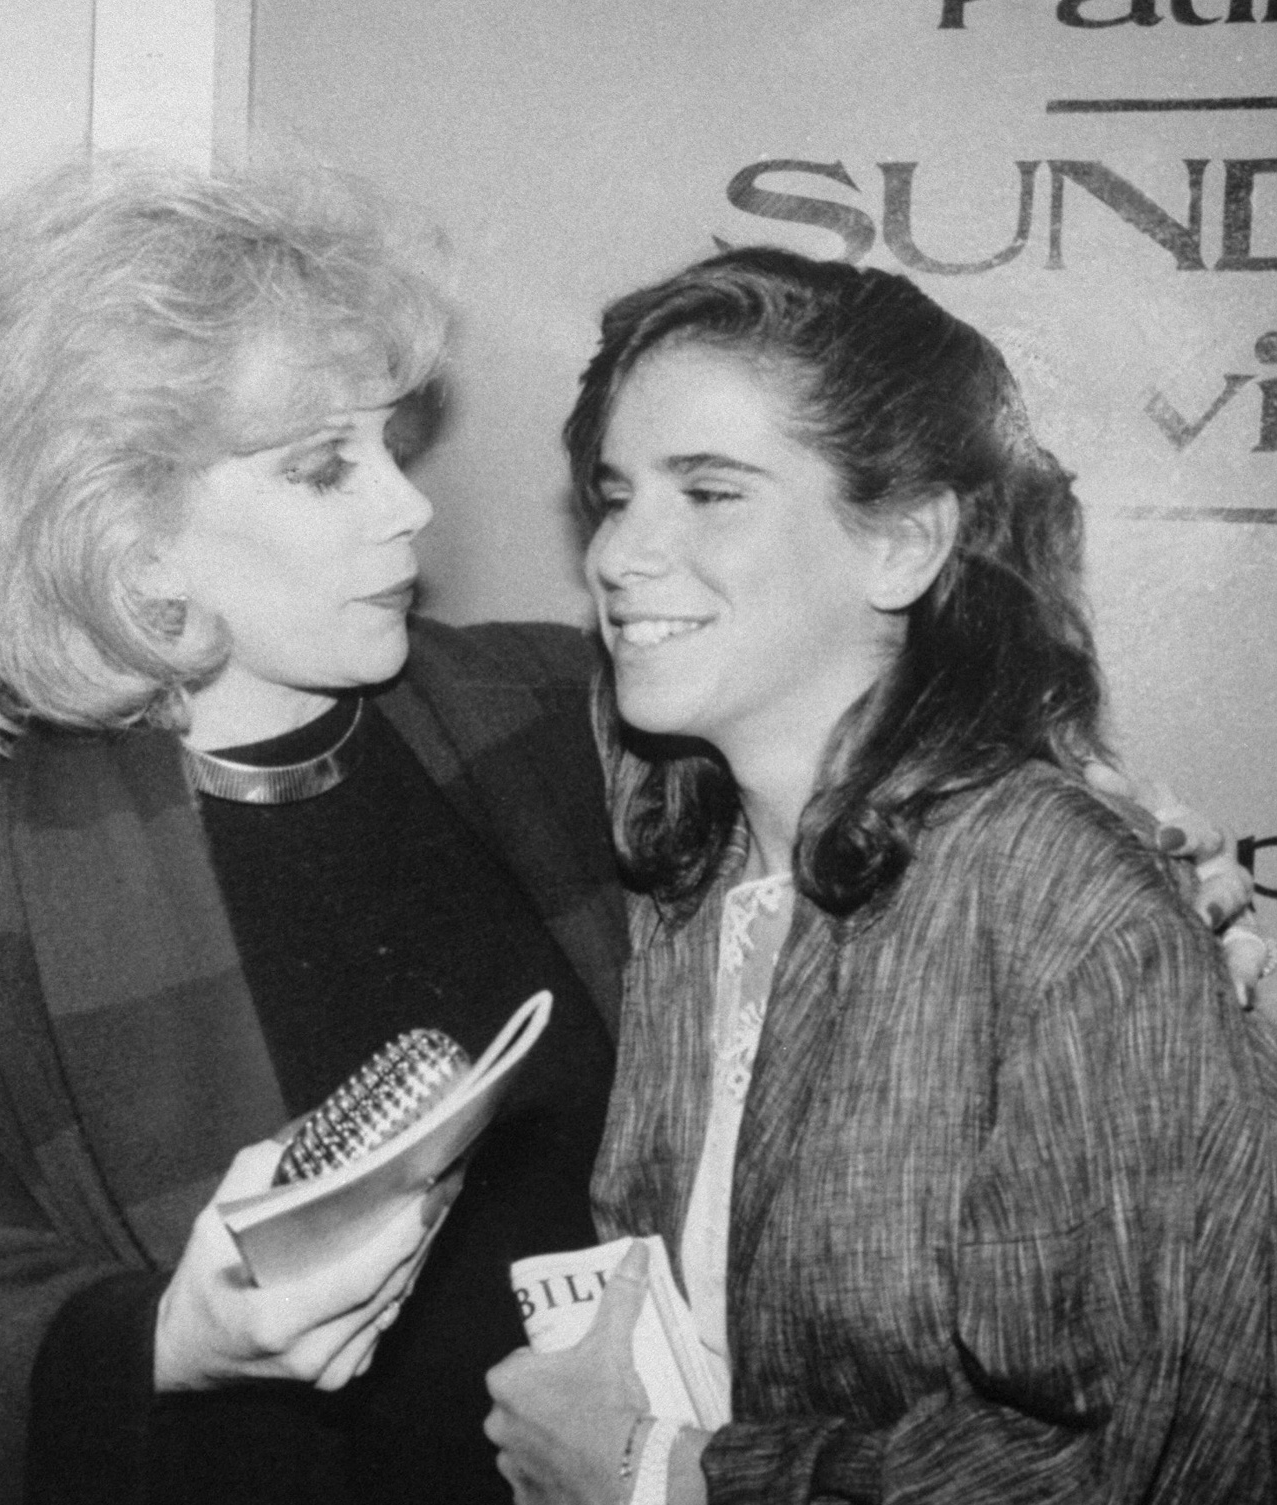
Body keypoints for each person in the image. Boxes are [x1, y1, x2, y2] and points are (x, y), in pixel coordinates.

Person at [0, 156, 625, 1505]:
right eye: (323, 468)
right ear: (133, 544)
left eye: (386, 445)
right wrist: (168, 1341)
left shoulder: (543, 718)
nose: (408, 503)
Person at [483, 247, 1277, 1504]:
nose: (620, 555)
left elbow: (1148, 1462)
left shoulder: (1056, 904)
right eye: (613, 492)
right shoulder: (678, 853)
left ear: (902, 544)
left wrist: (662, 1479)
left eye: (708, 493)